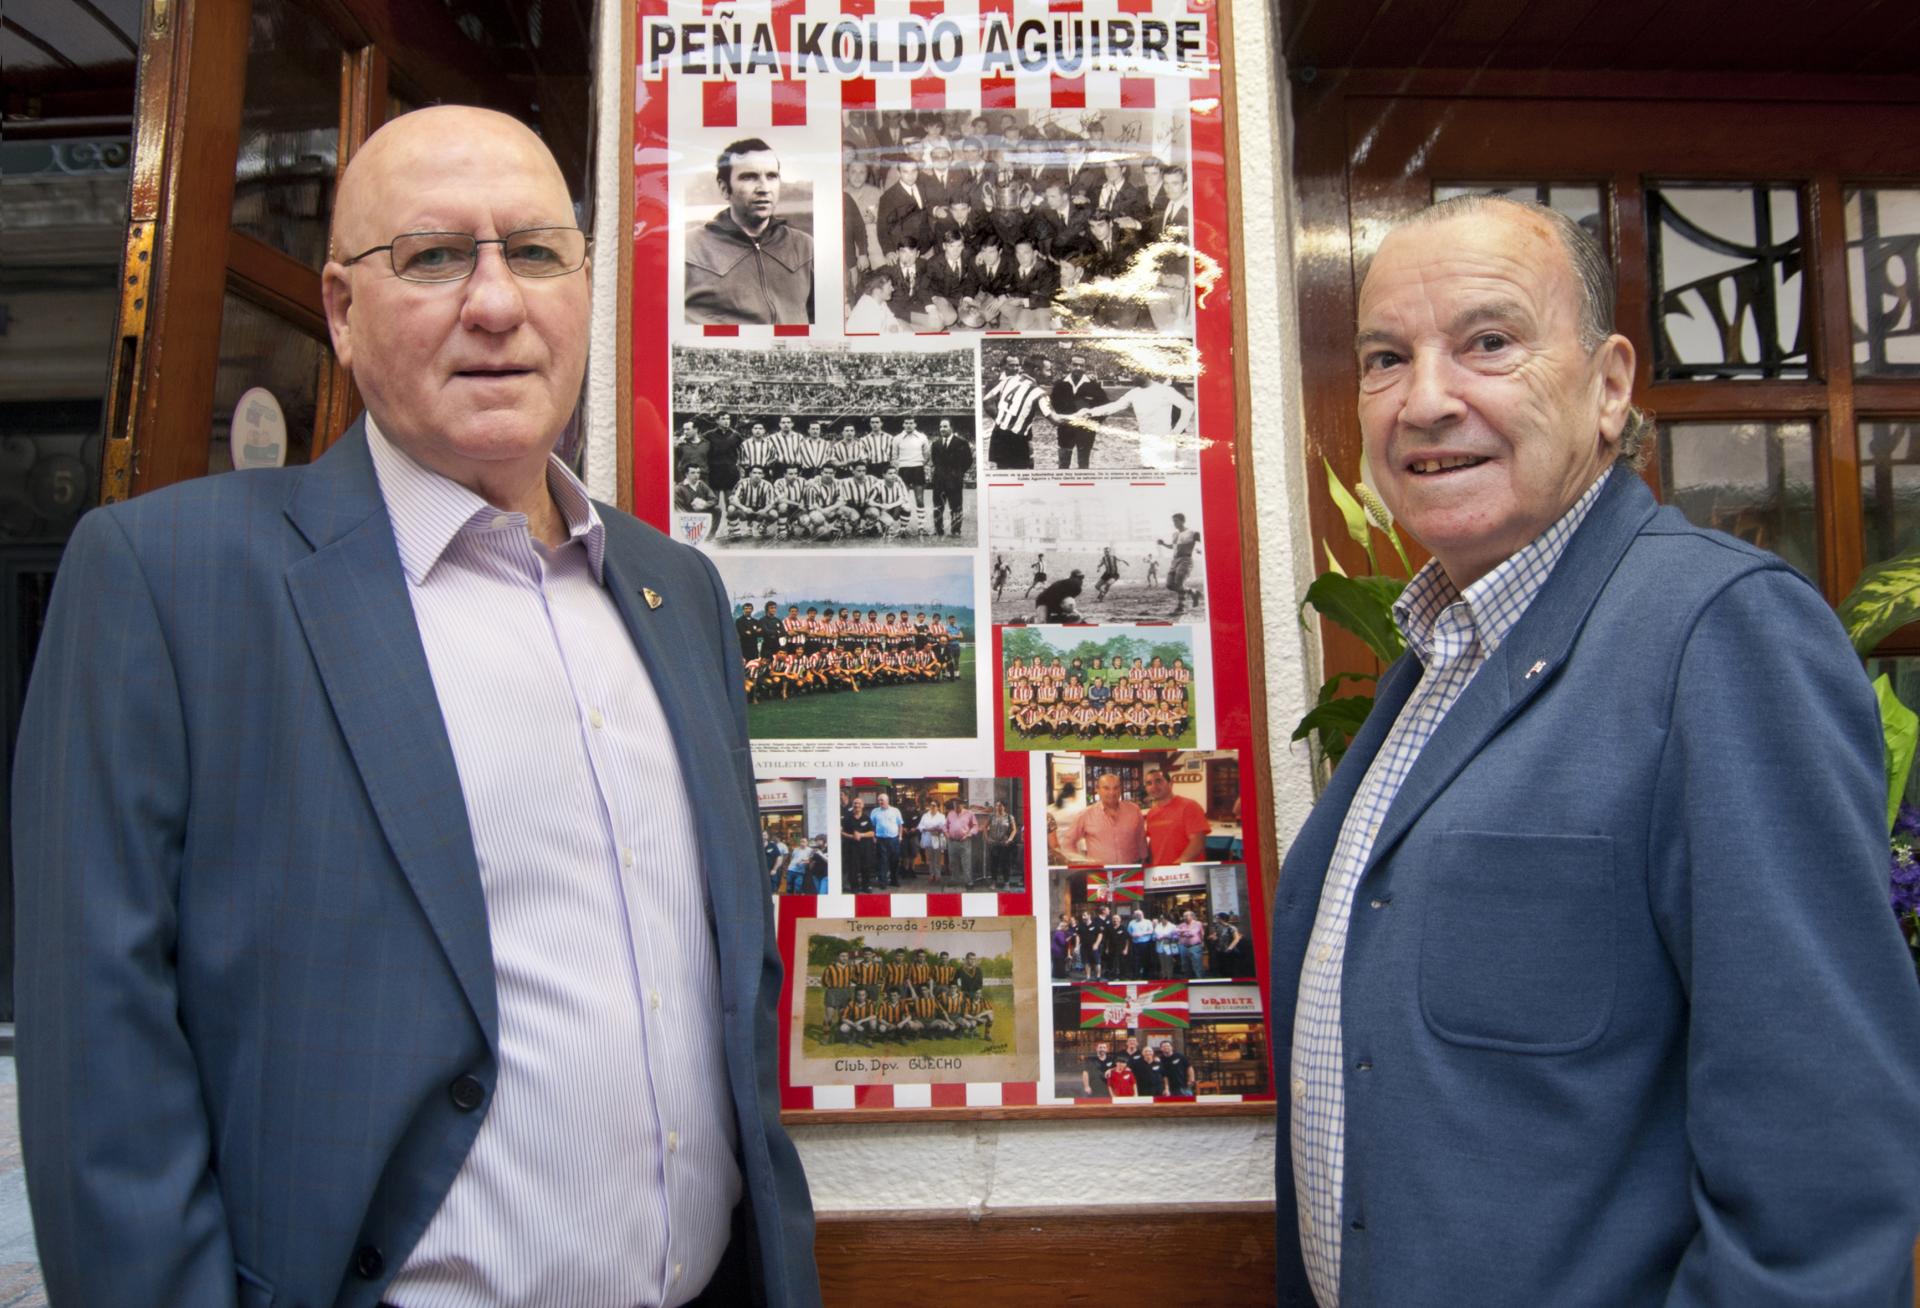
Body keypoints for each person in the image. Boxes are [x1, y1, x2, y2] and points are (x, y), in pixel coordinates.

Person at [13, 107, 819, 1307]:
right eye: (435, 257)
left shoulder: (675, 591)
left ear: (585, 287)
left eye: (535, 252)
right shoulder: (169, 581)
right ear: (342, 311)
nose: (495, 303)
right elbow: (101, 1068)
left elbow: (729, 999)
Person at [1275, 194, 1920, 1307]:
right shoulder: (1438, 655)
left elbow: (1822, 1173)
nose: (1426, 400)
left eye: (1488, 342)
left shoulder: (1720, 635)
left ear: (1610, 385)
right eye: (1386, 358)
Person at [686, 137, 814, 325]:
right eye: (749, 177)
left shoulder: (804, 246)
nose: (764, 188)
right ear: (724, 188)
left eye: (772, 176)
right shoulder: (690, 249)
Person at [1060, 772, 1147, 865]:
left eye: (1116, 788)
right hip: (1098, 872)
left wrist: (1144, 860)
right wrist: (1080, 862)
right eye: (1106, 788)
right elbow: (1067, 843)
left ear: (1121, 789)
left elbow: (1141, 840)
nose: (1112, 792)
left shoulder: (1134, 810)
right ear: (1097, 789)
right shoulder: (1086, 815)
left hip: (1131, 871)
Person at [1141, 763, 1209, 865]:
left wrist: (1175, 868)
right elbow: (1153, 843)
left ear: (1170, 783)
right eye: (1149, 783)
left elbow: (1198, 843)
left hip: (1185, 872)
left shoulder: (1189, 806)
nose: (1154, 786)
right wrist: (1150, 865)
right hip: (1159, 871)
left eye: (1158, 781)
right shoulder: (1151, 813)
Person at [1050, 354, 1107, 469]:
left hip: (1086, 431)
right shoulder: (1060, 384)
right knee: (1063, 464)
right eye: (1075, 365)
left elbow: (1105, 406)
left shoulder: (1093, 386)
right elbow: (1053, 404)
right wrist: (1062, 419)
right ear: (1069, 365)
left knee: (1083, 464)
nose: (1078, 368)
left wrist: (1094, 422)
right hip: (1065, 429)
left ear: (1085, 367)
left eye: (1081, 365)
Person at [928, 417, 973, 538]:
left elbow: (968, 461)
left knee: (956, 507)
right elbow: (935, 461)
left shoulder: (961, 443)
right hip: (939, 481)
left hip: (954, 481)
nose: (942, 429)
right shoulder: (936, 444)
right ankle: (938, 530)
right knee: (938, 506)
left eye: (945, 426)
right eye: (940, 426)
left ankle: (956, 530)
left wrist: (958, 473)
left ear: (951, 427)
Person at [1155, 512, 1202, 617]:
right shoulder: (1175, 534)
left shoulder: (1192, 532)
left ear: (1183, 521)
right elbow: (1173, 547)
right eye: (1173, 521)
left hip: (1186, 559)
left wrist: (1201, 550)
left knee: (1179, 583)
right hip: (1175, 560)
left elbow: (1203, 543)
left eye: (1176, 521)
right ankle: (1193, 592)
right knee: (1169, 585)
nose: (1174, 523)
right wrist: (1163, 544)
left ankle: (1181, 608)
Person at [870, 789, 903, 888]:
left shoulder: (895, 811)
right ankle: (883, 882)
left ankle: (894, 880)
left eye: (882, 800)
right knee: (882, 862)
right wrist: (873, 837)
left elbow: (900, 824)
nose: (880, 802)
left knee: (895, 861)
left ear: (887, 801)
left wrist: (900, 836)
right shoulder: (874, 811)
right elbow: (872, 826)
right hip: (880, 840)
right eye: (879, 800)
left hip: (894, 839)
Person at [985, 798, 1020, 889]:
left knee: (1005, 863)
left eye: (1000, 805)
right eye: (997, 805)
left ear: (1004, 807)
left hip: (1004, 843)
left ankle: (1006, 883)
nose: (998, 807)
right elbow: (985, 827)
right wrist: (987, 838)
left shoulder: (1009, 817)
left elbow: (1014, 829)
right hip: (994, 843)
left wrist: (1010, 839)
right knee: (994, 863)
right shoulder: (992, 816)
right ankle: (993, 882)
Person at [945, 796, 980, 887]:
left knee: (966, 862)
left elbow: (975, 826)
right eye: (954, 804)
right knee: (953, 862)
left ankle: (968, 881)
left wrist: (969, 834)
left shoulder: (969, 813)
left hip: (964, 842)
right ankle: (954, 879)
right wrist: (947, 835)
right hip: (952, 842)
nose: (956, 805)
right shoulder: (950, 814)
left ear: (962, 804)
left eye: (958, 803)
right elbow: (945, 826)